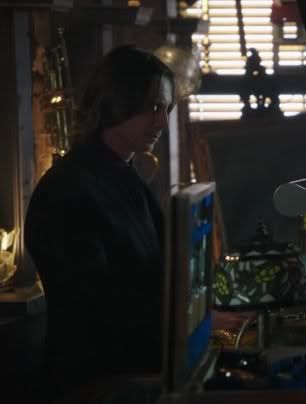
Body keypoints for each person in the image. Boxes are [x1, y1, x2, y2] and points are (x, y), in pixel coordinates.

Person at [24, 46, 175, 402]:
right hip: (96, 384)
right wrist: (179, 316)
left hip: (139, 368)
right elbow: (92, 308)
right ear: (117, 101)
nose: (162, 123)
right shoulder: (67, 189)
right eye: (153, 107)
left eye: (166, 109)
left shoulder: (124, 173)